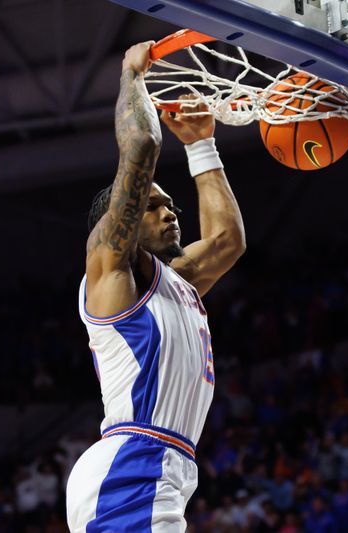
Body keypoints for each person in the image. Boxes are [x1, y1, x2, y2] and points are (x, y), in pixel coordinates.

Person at [65, 41, 245, 532]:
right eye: (154, 204)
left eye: (172, 205)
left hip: (158, 465)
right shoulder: (111, 271)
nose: (171, 212)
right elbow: (142, 145)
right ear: (119, 216)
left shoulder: (177, 281)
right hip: (134, 464)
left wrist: (201, 144)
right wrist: (131, 74)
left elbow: (228, 241)